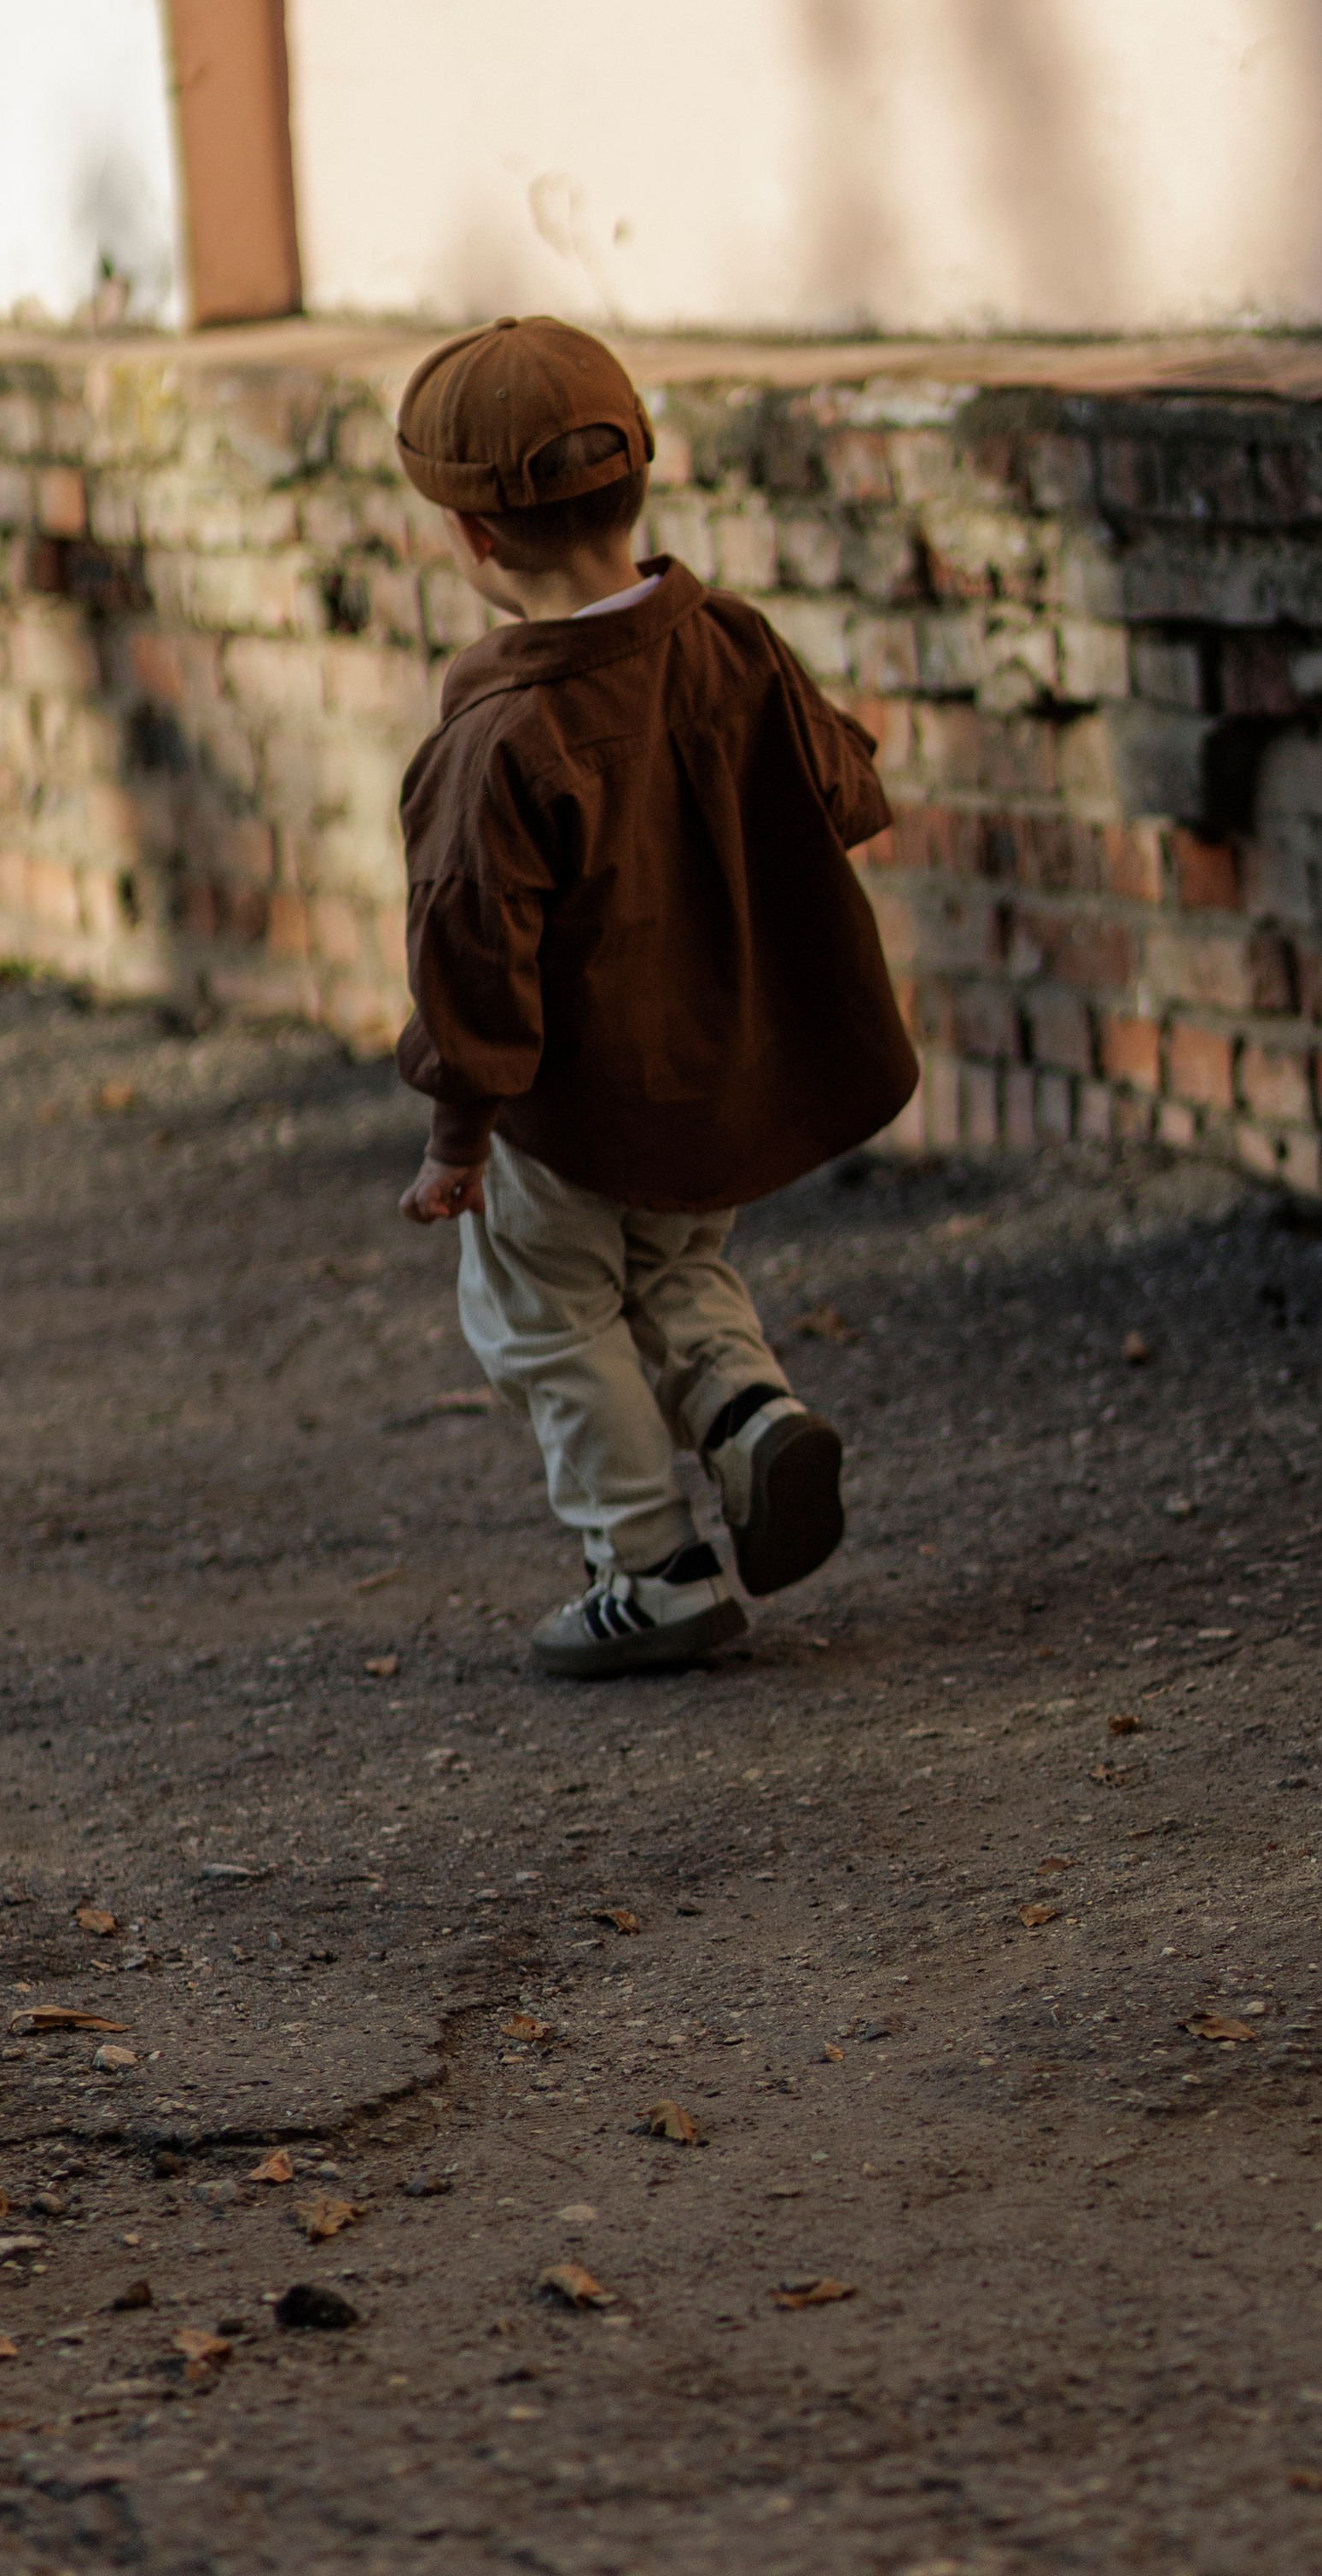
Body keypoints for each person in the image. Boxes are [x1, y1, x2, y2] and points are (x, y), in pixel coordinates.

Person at [388, 315, 917, 1677]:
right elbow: (844, 791)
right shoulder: (733, 642)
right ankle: (746, 1416)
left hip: (561, 1114)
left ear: (477, 539)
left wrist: (459, 1134)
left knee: (543, 1317)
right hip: (710, 1079)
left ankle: (652, 1565)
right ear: (638, 483)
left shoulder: (500, 733)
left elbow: (468, 947)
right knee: (679, 1263)